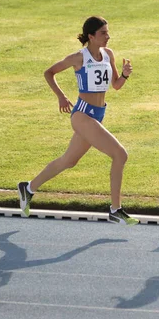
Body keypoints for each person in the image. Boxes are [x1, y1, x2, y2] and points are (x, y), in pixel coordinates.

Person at [17, 16, 139, 225]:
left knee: (69, 161)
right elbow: (49, 72)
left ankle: (28, 188)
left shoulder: (109, 54)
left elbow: (116, 85)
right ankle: (115, 210)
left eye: (108, 32)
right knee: (120, 154)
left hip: (98, 114)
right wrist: (61, 96)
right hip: (82, 115)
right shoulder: (78, 58)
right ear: (90, 36)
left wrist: (125, 76)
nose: (108, 36)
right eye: (103, 33)